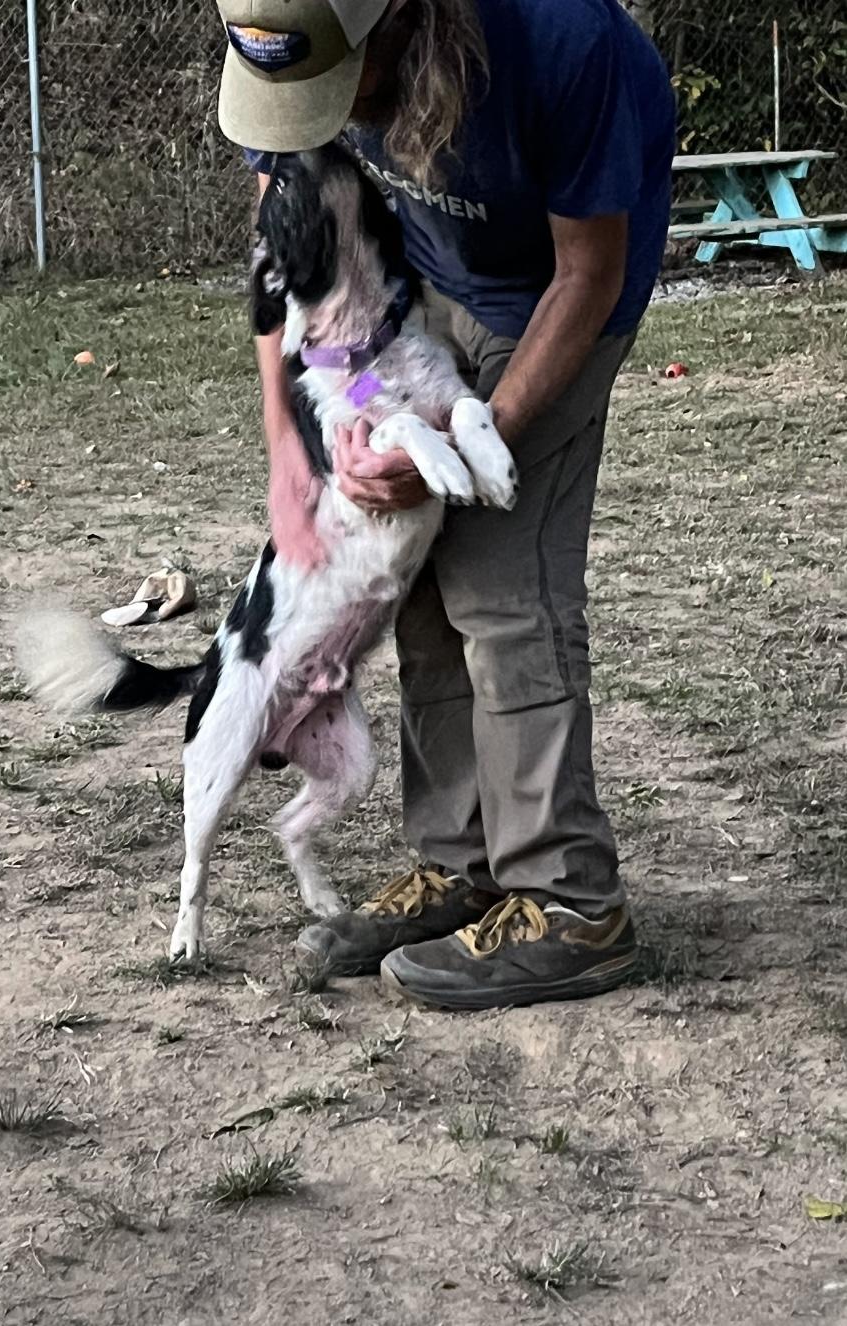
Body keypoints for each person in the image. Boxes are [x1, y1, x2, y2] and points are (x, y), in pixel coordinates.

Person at [213, 0, 675, 1009]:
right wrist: (287, 440)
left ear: (402, 21)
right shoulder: (277, 26)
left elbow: (584, 273)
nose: (319, 122)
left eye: (338, 92)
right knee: (409, 579)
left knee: (501, 585)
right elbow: (279, 237)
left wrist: (474, 441)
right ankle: (461, 868)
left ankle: (569, 907)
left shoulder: (561, 42)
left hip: (554, 294)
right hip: (409, 292)